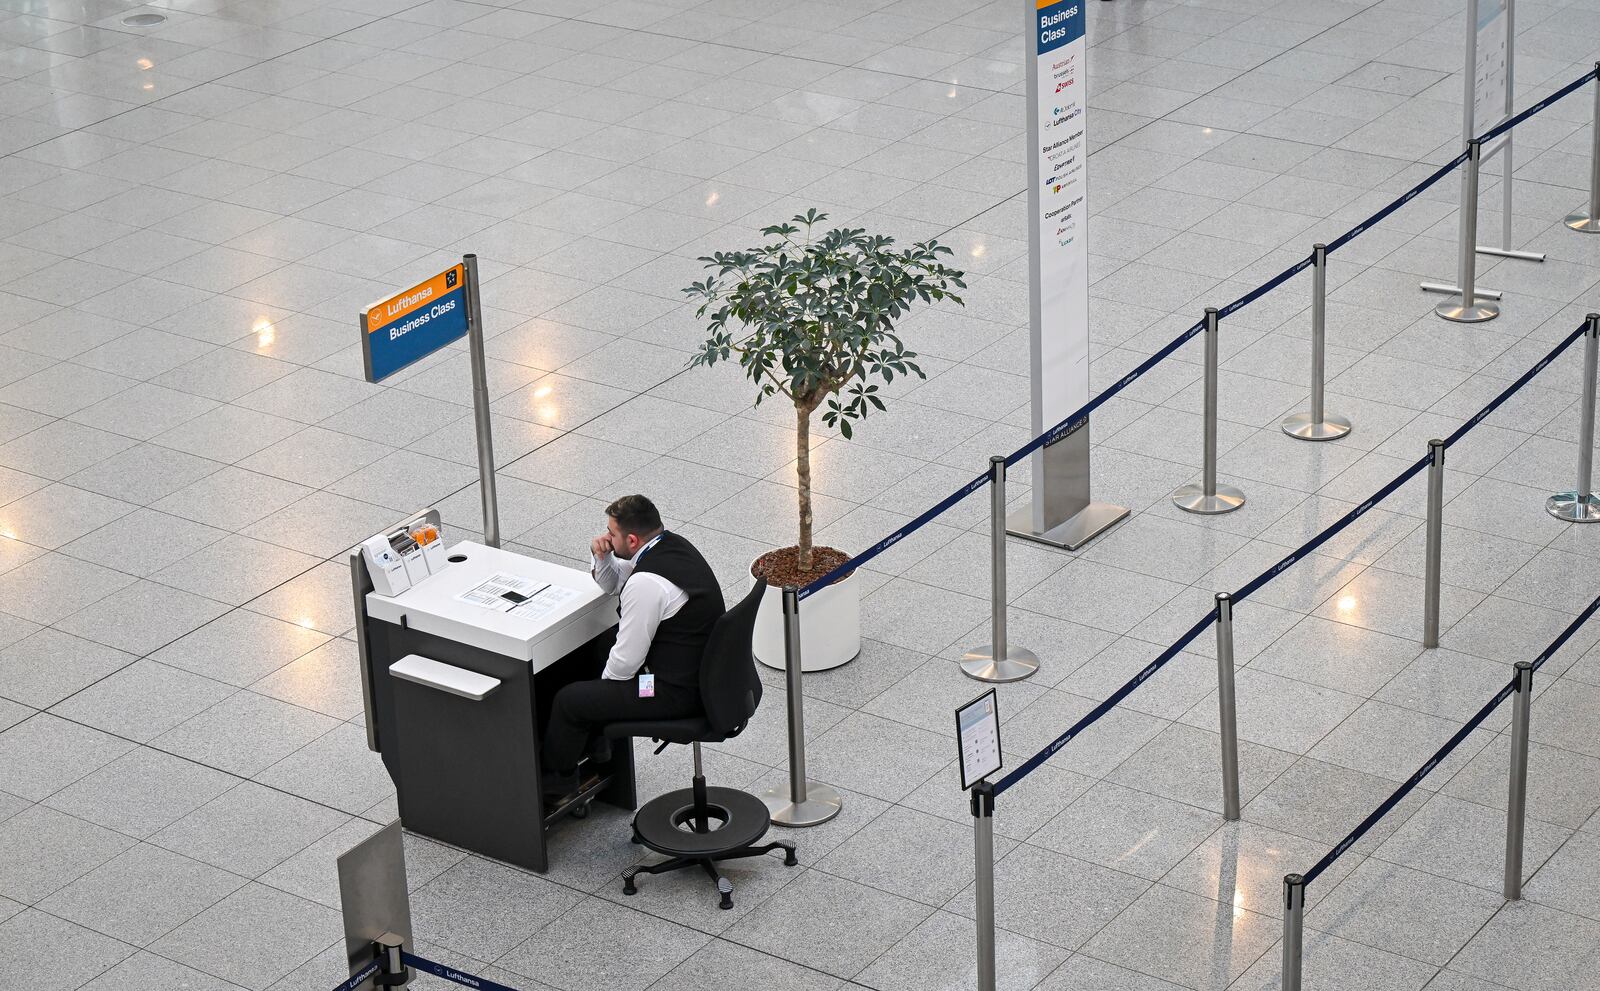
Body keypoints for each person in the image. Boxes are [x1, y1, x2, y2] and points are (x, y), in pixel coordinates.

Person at [541, 494, 725, 797]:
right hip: (696, 675)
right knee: (603, 645)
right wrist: (603, 558)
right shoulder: (671, 546)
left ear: (632, 540)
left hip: (668, 692)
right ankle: (597, 747)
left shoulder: (647, 583)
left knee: (569, 700)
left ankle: (556, 782)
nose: (607, 539)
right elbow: (615, 584)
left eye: (611, 534)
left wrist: (600, 699)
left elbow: (626, 664)